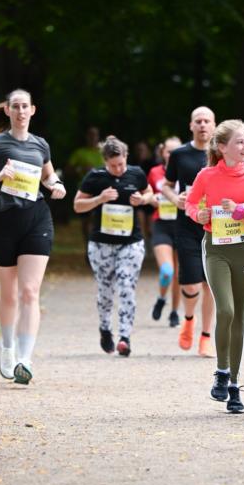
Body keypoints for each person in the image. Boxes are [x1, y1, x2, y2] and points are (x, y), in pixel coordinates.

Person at [0, 89, 66, 384]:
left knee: (30, 292)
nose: (21, 111)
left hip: (36, 219)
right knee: (9, 293)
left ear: (32, 110)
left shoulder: (41, 144)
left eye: (25, 106)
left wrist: (56, 184)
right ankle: (7, 348)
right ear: (8, 111)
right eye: (16, 107)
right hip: (2, 221)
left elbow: (48, 176)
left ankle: (25, 359)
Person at [185, 120, 244, 414]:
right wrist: (198, 214)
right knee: (225, 310)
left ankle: (234, 385)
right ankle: (221, 370)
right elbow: (189, 204)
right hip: (216, 249)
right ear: (222, 147)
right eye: (239, 141)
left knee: (240, 318)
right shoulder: (207, 175)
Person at [73, 136, 151, 357]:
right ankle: (105, 328)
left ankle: (125, 337)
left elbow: (150, 193)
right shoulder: (95, 176)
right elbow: (78, 205)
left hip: (131, 242)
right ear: (105, 161)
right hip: (101, 244)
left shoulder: (136, 173)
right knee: (105, 290)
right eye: (113, 165)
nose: (118, 169)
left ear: (127, 157)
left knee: (127, 286)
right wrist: (99, 199)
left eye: (121, 164)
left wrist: (142, 200)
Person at [160, 107, 216, 357]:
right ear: (191, 125)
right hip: (186, 226)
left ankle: (206, 337)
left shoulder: (222, 153)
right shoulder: (180, 154)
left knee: (212, 286)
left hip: (217, 226)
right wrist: (175, 199)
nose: (203, 125)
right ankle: (189, 320)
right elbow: (166, 186)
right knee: (192, 283)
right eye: (198, 121)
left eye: (207, 121)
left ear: (214, 125)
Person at [146, 136, 182, 327]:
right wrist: (150, 199)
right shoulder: (154, 172)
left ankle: (175, 312)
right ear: (163, 153)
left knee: (179, 275)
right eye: (169, 151)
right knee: (167, 271)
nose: (172, 154)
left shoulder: (187, 171)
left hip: (182, 226)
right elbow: (147, 192)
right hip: (161, 225)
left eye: (176, 150)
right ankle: (161, 298)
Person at [66, 126, 105, 251]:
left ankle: (99, 246)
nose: (93, 137)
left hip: (103, 191)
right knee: (86, 223)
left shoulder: (104, 153)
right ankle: (89, 247)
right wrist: (81, 169)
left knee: (98, 220)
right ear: (86, 137)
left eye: (95, 135)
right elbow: (68, 170)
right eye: (90, 135)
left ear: (99, 137)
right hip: (85, 191)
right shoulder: (80, 153)